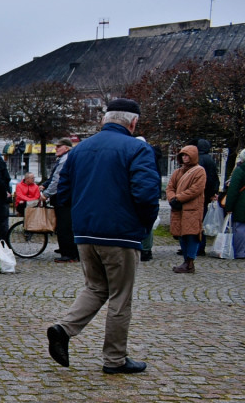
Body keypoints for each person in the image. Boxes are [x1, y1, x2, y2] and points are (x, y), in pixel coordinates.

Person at [46, 98, 159, 374]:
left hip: (86, 233)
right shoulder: (137, 149)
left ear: (104, 120)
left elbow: (64, 193)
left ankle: (64, 329)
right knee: (121, 297)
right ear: (133, 122)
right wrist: (143, 228)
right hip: (121, 233)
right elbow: (146, 194)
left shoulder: (79, 150)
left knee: (95, 287)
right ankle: (115, 359)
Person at [167, 145, 207, 273]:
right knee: (181, 235)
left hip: (192, 209)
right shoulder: (177, 172)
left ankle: (189, 261)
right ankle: (186, 260)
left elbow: (196, 189)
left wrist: (178, 198)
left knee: (192, 235)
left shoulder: (199, 171)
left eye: (187, 155)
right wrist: (172, 199)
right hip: (178, 209)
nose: (185, 158)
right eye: (183, 155)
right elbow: (170, 187)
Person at [40, 137, 78, 262]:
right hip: (67, 197)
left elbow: (58, 180)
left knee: (64, 226)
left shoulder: (65, 160)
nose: (56, 149)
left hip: (64, 198)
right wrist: (45, 184)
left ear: (66, 148)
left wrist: (46, 194)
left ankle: (68, 254)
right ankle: (68, 251)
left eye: (59, 146)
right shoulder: (65, 158)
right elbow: (53, 177)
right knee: (66, 225)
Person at [189, 138, 219, 256]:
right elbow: (213, 178)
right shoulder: (210, 160)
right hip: (206, 194)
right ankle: (200, 246)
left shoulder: (199, 160)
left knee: (196, 221)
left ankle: (197, 246)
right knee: (202, 220)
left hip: (199, 194)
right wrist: (213, 192)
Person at [222, 148, 245, 258]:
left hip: (241, 205)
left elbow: (233, 190)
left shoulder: (240, 170)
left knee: (239, 229)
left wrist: (228, 207)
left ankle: (240, 252)